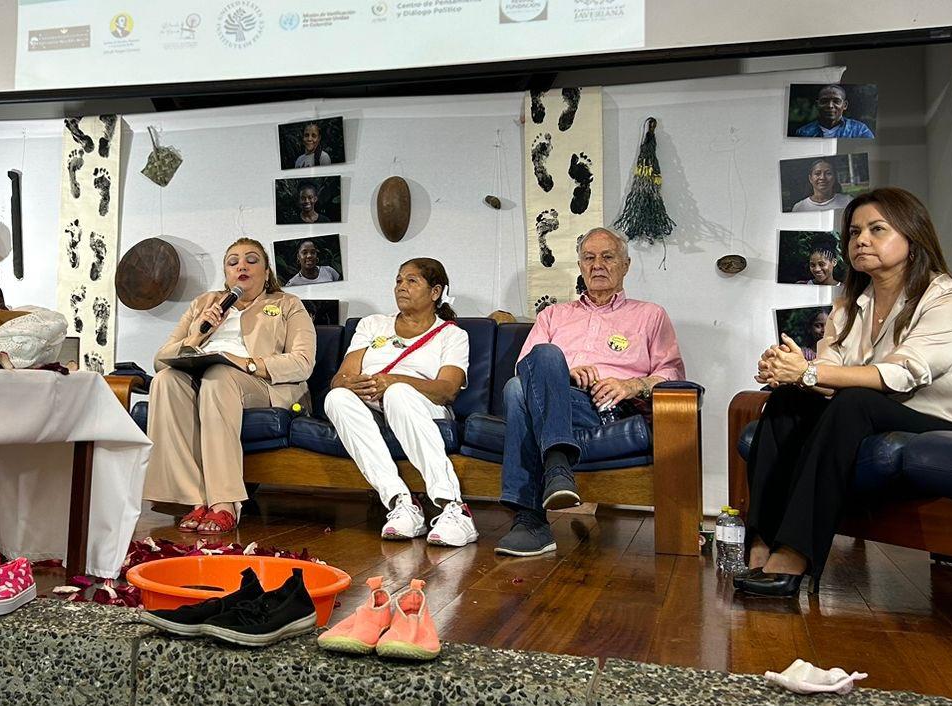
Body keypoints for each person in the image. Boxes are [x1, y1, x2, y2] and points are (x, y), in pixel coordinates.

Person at [737, 187, 952, 597]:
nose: (860, 240)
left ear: (913, 238)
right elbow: (829, 374)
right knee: (788, 400)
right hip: (876, 411)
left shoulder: (950, 299)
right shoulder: (848, 305)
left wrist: (809, 372)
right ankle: (759, 546)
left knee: (855, 400)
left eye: (877, 229)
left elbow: (902, 373)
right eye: (854, 232)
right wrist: (790, 374)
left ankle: (796, 555)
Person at [494, 227, 686, 557]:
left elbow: (672, 374)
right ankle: (557, 469)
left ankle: (530, 521)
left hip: (604, 409)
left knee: (517, 391)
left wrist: (630, 385)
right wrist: (563, 374)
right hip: (559, 400)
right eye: (589, 257)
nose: (597, 264)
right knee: (532, 370)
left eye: (607, 257)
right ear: (580, 266)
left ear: (626, 264)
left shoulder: (650, 315)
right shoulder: (553, 314)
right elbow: (523, 369)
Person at [143, 238, 317, 534]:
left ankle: (225, 503)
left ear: (266, 271)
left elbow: (303, 362)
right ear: (226, 273)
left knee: (218, 376)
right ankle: (193, 499)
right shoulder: (204, 303)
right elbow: (161, 359)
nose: (242, 267)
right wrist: (197, 336)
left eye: (251, 260)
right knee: (165, 380)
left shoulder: (287, 304)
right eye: (233, 262)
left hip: (261, 383)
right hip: (203, 378)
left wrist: (248, 363)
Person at [322, 258, 476, 546]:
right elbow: (341, 377)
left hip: (425, 406)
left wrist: (396, 381)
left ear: (435, 292)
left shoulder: (452, 335)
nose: (401, 287)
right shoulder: (372, 325)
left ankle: (453, 507)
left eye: (412, 281)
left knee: (398, 393)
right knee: (336, 398)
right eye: (398, 280)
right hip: (372, 404)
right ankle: (401, 503)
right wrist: (350, 383)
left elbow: (447, 390)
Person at [794, 85, 876, 139]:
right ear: (817, 105)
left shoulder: (859, 130)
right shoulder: (803, 132)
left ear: (845, 105)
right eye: (824, 101)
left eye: (836, 101)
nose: (830, 106)